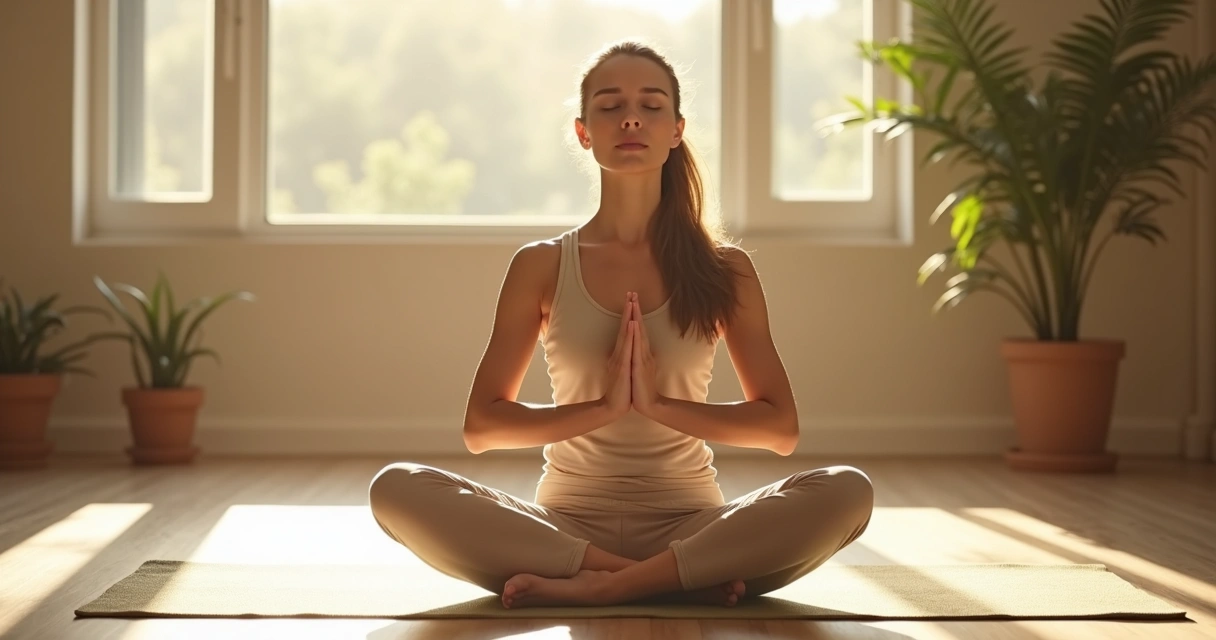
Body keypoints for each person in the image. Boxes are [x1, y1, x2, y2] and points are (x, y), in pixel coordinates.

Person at [368, 40, 873, 610]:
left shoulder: (726, 270)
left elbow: (779, 430)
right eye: (610, 106)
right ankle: (659, 578)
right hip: (562, 533)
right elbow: (483, 427)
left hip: (695, 527)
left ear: (677, 130)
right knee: (395, 487)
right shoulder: (541, 264)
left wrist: (658, 406)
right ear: (584, 132)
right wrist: (602, 409)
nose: (631, 117)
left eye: (651, 105)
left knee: (848, 489)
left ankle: (610, 586)